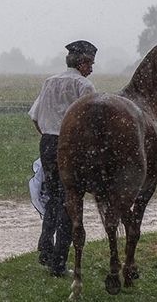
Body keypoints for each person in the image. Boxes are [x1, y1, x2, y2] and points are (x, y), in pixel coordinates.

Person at [28, 40, 97, 276]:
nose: (91, 68)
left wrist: (51, 138)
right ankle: (59, 262)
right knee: (71, 202)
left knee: (55, 196)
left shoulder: (50, 82)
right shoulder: (84, 86)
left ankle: (46, 247)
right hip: (71, 146)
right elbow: (90, 123)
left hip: (47, 142)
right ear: (81, 62)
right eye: (90, 63)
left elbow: (35, 117)